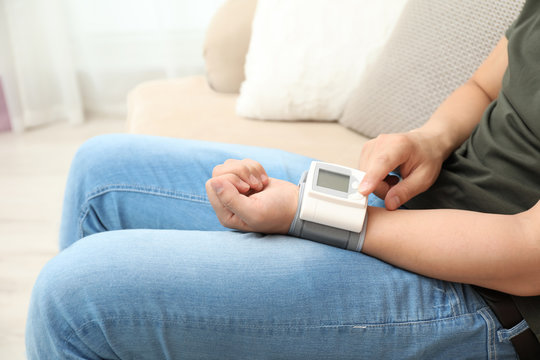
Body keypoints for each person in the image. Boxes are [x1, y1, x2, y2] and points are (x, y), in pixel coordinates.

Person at [26, 1, 540, 359]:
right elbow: (482, 84)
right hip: (419, 204)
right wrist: (431, 138)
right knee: (102, 174)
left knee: (74, 301)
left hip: (491, 294)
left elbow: (527, 255)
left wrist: (307, 215)